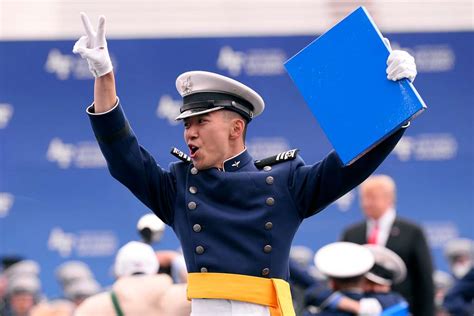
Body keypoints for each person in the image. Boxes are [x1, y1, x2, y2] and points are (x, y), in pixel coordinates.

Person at [73, 12, 418, 316]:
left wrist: (393, 98)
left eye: (201, 122)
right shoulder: (177, 187)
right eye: (186, 125)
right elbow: (123, 155)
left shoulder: (286, 182)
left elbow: (350, 163)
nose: (189, 134)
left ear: (236, 127)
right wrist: (104, 77)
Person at [341, 174, 435, 316]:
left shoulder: (412, 232)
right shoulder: (351, 233)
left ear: (389, 198)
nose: (366, 203)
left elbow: (424, 280)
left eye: (372, 197)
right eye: (363, 198)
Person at [75, 241, 191, 316]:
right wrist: (177, 260)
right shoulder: (182, 297)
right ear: (155, 266)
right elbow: (203, 290)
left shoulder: (95, 306)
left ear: (117, 271)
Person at [442, 238, 474, 315]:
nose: (461, 263)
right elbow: (451, 301)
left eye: (464, 259)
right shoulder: (445, 283)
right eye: (456, 259)